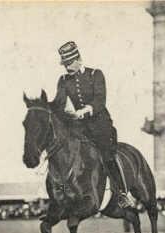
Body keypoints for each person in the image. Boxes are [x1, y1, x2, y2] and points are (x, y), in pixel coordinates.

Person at [50, 41, 135, 208]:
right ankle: (62, 191)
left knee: (108, 156)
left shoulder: (96, 74)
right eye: (65, 64)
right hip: (78, 128)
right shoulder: (63, 80)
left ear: (78, 59)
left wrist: (83, 111)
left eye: (69, 64)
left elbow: (100, 101)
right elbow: (59, 102)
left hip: (100, 125)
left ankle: (122, 193)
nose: (67, 68)